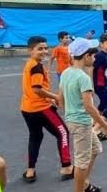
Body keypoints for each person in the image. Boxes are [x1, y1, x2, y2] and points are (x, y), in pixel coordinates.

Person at [58, 38, 107, 192]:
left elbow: (60, 100)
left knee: (95, 149)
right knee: (82, 161)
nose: (95, 59)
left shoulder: (66, 73)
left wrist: (70, 115)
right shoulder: (83, 78)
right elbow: (89, 107)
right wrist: (105, 126)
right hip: (80, 123)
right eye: (93, 55)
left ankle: (84, 183)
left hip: (74, 120)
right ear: (86, 56)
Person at [20, 36, 73, 183]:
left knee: (35, 137)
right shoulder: (36, 67)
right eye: (39, 49)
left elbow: (34, 89)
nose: (44, 51)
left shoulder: (30, 64)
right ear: (30, 50)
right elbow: (37, 89)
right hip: (40, 108)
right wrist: (55, 97)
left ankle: (30, 170)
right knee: (63, 132)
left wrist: (48, 97)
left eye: (45, 48)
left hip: (27, 108)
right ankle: (67, 166)